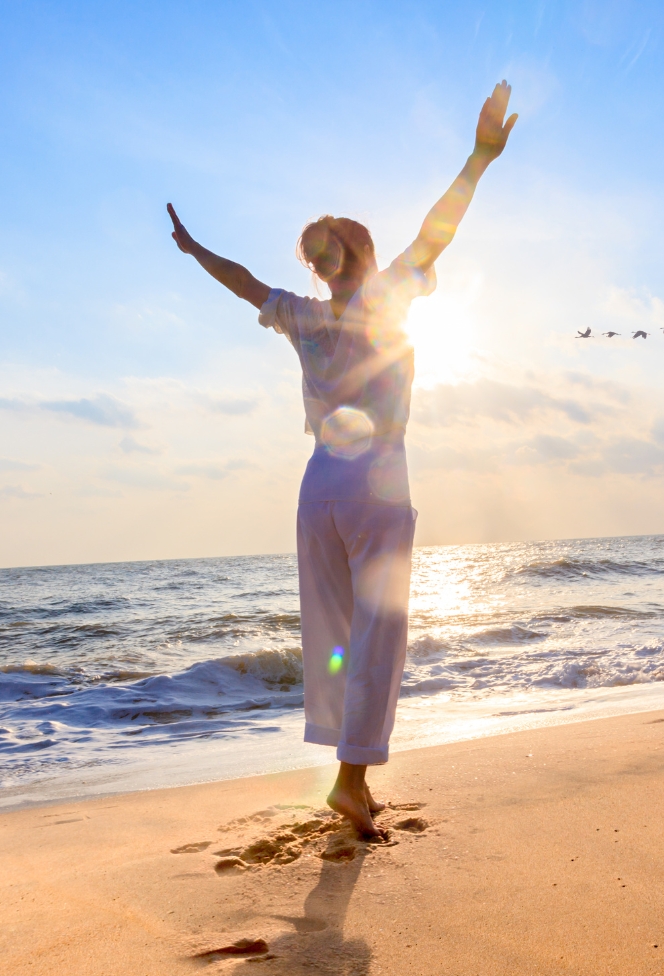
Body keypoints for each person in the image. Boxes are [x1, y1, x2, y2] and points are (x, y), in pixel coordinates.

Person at [167, 81, 516, 837]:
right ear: (362, 253)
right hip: (377, 477)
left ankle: (345, 773)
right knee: (379, 632)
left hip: (317, 484)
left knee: (331, 635)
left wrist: (194, 249)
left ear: (322, 263)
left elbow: (241, 283)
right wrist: (481, 157)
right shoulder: (387, 294)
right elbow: (438, 230)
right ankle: (352, 783)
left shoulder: (302, 313)